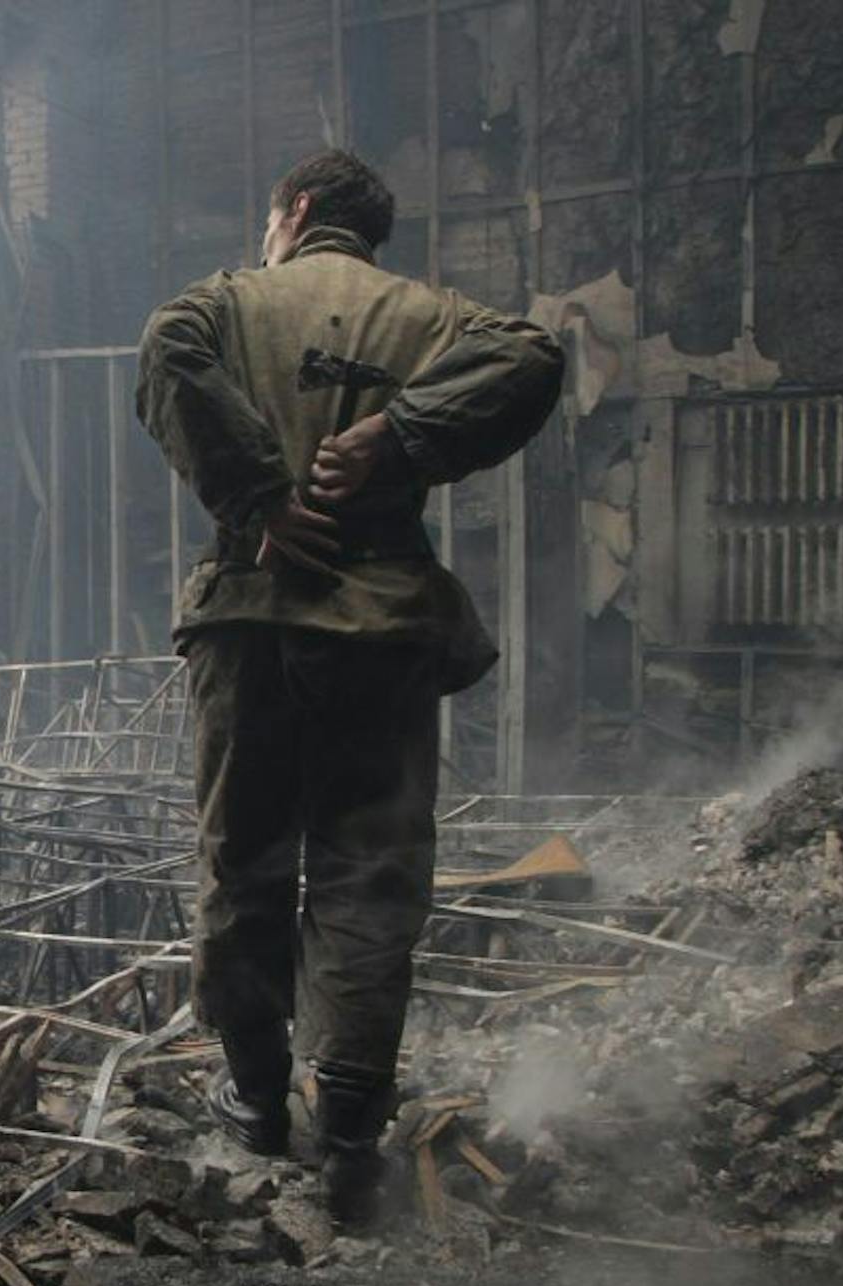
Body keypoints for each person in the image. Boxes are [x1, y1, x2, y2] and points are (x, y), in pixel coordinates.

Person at [134, 150, 564, 1225]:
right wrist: (398, 434)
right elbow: (532, 356)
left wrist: (260, 498)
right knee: (370, 872)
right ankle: (352, 1126)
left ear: (295, 210)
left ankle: (256, 1096)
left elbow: (166, 352)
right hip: (381, 628)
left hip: (251, 619)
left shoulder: (224, 304)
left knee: (245, 860)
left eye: (271, 218)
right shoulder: (434, 319)